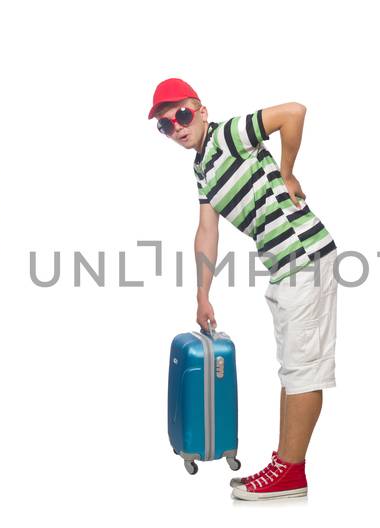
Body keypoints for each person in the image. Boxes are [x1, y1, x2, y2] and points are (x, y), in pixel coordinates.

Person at [148, 78, 339, 501]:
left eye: (180, 115)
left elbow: (294, 112)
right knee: (293, 368)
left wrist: (287, 172)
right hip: (284, 264)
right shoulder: (201, 167)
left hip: (303, 256)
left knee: (304, 369)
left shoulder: (230, 135)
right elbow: (206, 229)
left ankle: (291, 472)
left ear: (199, 109)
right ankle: (285, 464)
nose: (176, 128)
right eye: (164, 125)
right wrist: (202, 294)